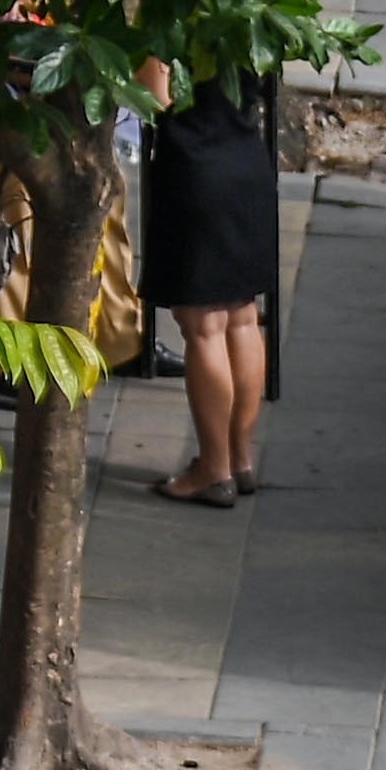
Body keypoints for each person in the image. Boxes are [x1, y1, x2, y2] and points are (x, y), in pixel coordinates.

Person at [133, 55, 277, 505]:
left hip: (196, 168)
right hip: (246, 163)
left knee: (204, 327)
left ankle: (212, 468)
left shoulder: (174, 5)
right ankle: (239, 459)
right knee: (242, 316)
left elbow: (155, 96)